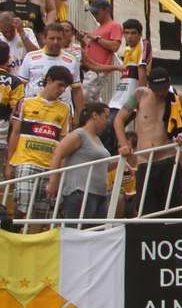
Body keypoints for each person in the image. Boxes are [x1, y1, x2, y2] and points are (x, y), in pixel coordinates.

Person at [114, 67, 182, 215]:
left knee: (172, 208)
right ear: (150, 86)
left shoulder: (179, 96)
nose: (160, 93)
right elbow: (119, 119)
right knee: (147, 209)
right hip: (145, 161)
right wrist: (124, 144)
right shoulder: (140, 94)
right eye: (157, 90)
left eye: (163, 89)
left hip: (168, 159)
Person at [8, 64, 72, 220]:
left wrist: (57, 173)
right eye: (60, 85)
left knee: (41, 213)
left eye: (65, 87)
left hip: (49, 165)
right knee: (22, 204)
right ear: (49, 80)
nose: (62, 90)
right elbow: (15, 132)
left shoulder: (65, 108)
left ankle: (32, 242)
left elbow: (63, 141)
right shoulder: (25, 102)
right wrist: (9, 163)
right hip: (25, 161)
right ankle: (13, 232)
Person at [44, 103, 114, 226]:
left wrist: (123, 161)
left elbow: (102, 166)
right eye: (106, 116)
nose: (107, 121)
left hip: (99, 194)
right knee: (77, 233)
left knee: (96, 235)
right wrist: (53, 181)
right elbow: (58, 153)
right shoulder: (79, 134)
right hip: (80, 192)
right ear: (95, 115)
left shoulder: (97, 139)